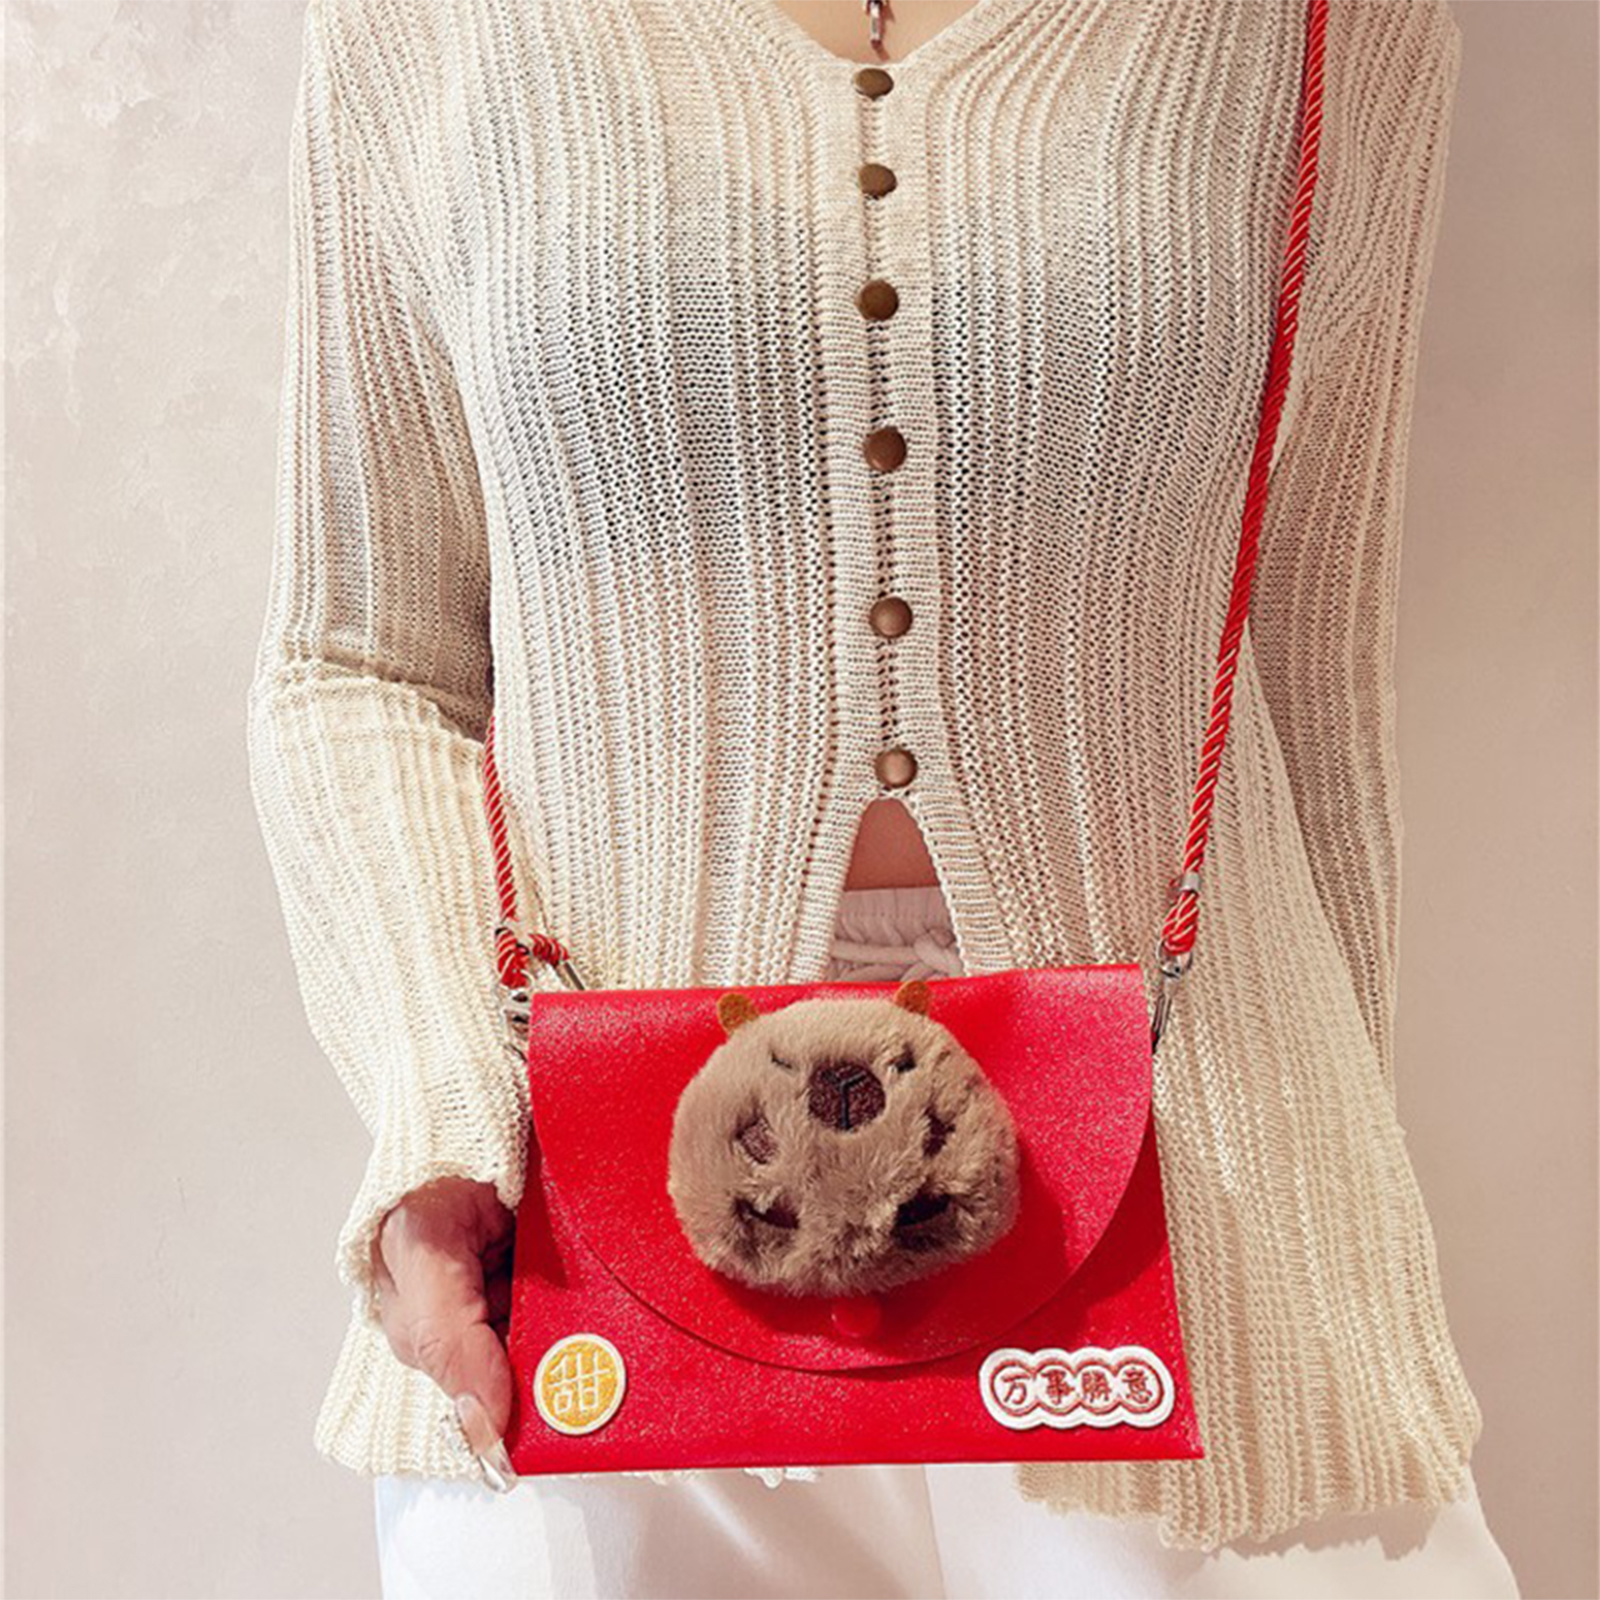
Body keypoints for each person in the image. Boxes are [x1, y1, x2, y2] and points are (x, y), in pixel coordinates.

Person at [246, 0, 1523, 1595]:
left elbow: (1311, 663)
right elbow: (360, 658)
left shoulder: (1328, 24)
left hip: (1203, 1222)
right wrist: (442, 1117)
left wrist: (1332, 1189)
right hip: (586, 1245)